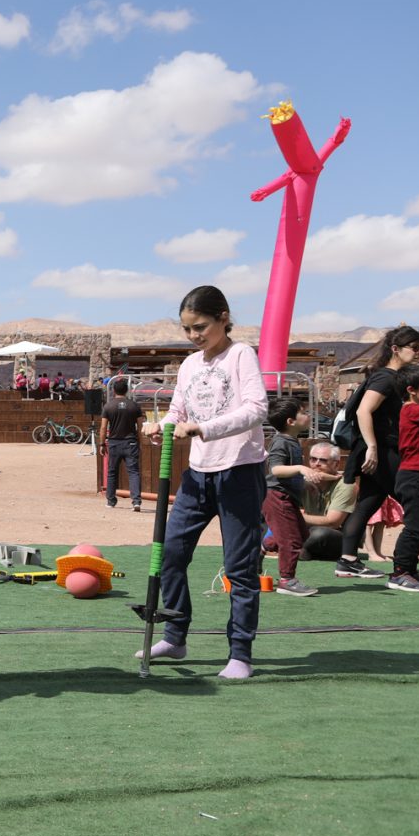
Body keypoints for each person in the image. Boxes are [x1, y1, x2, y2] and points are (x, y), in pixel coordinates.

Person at [134, 285, 268, 679]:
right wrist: (161, 426)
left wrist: (203, 428)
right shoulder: (190, 364)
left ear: (223, 317)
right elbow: (179, 407)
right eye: (187, 328)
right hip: (197, 474)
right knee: (171, 553)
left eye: (201, 326)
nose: (194, 335)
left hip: (240, 471)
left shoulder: (241, 354)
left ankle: (240, 653)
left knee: (239, 568)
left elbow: (256, 409)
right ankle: (175, 635)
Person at [336, 325, 419, 584]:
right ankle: (402, 569)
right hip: (381, 450)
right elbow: (364, 411)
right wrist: (372, 446)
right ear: (395, 349)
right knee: (413, 502)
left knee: (369, 501)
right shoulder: (387, 377)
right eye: (415, 348)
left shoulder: (394, 376)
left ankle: (348, 560)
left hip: (379, 450)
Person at [262, 398, 328, 597]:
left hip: (286, 497)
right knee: (291, 541)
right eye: (304, 412)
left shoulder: (292, 441)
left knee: (300, 534)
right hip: (277, 497)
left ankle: (261, 547)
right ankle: (287, 580)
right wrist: (301, 468)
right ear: (291, 421)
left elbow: (287, 472)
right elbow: (276, 469)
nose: (308, 415)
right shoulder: (281, 441)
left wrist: (305, 483)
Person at [299, 442, 365, 564]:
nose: (316, 464)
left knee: (319, 534)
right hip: (310, 530)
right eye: (313, 459)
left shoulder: (346, 485)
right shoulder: (305, 482)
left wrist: (297, 517)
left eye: (323, 460)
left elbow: (333, 522)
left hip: (339, 536)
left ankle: (297, 548)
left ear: (336, 464)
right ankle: (303, 549)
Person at [388, 365, 419, 592]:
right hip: (413, 477)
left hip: (414, 475)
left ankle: (409, 568)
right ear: (412, 390)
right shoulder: (411, 410)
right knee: (414, 526)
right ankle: (400, 572)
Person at [100, 377, 144, 510]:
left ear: (113, 390)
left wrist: (102, 443)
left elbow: (103, 427)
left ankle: (111, 501)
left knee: (112, 472)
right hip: (130, 442)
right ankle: (136, 501)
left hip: (114, 442)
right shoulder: (134, 406)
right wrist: (139, 442)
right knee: (134, 472)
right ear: (127, 390)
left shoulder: (108, 406)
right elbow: (140, 426)